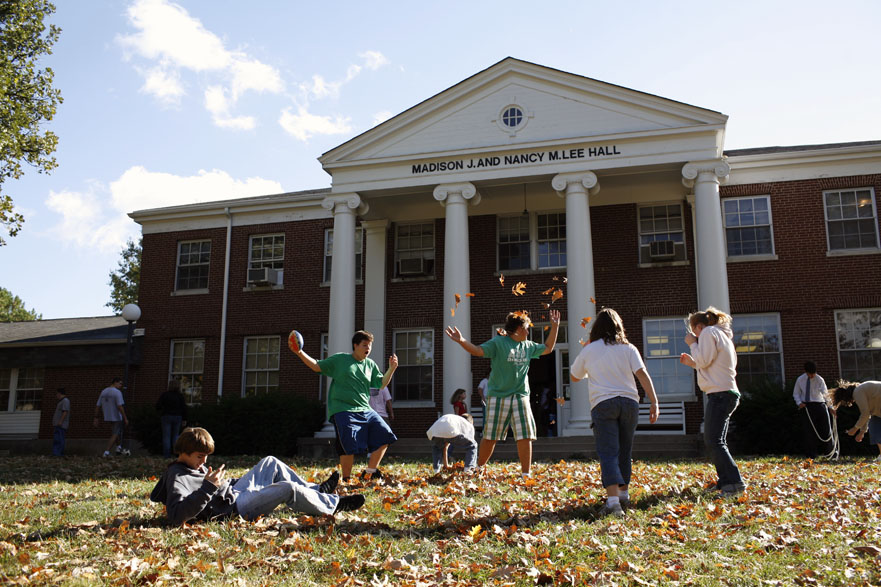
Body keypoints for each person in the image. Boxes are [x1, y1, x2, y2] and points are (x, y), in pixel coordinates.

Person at [150, 427, 363, 525]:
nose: (204, 462)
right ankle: (333, 505)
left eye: (206, 456)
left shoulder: (194, 466)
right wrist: (209, 487)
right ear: (183, 452)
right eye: (199, 456)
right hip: (234, 509)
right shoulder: (177, 476)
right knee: (286, 488)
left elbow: (214, 487)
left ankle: (316, 490)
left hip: (234, 492)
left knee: (270, 462)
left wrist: (224, 483)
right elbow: (176, 516)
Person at [445, 309, 561, 477]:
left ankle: (526, 474)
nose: (528, 332)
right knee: (491, 436)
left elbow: (549, 348)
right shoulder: (498, 343)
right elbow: (477, 351)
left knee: (525, 435)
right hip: (498, 396)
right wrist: (462, 341)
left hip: (520, 396)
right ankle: (479, 468)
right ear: (518, 329)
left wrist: (555, 327)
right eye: (526, 328)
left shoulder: (528, 346)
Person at [570, 308, 659, 516]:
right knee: (625, 451)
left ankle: (613, 502)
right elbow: (642, 374)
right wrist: (654, 401)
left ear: (596, 328)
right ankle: (624, 496)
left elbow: (574, 376)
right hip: (629, 402)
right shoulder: (628, 348)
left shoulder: (590, 349)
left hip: (603, 404)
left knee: (608, 452)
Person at [295, 330, 398, 481]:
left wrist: (392, 368)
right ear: (355, 346)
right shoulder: (340, 360)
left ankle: (369, 472)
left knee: (385, 436)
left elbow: (382, 384)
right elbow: (317, 366)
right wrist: (299, 352)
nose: (367, 348)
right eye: (364, 345)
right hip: (343, 409)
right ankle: (346, 479)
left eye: (369, 346)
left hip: (365, 409)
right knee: (348, 443)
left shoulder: (370, 365)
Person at [679, 306, 746, 495]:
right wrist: (692, 362)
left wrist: (693, 344)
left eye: (694, 331)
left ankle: (734, 483)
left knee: (713, 440)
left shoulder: (708, 332)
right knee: (717, 440)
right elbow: (708, 363)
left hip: (720, 394)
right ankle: (725, 481)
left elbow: (704, 360)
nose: (693, 335)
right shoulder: (721, 335)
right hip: (725, 392)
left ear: (699, 327)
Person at [829, 380, 881, 461]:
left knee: (875, 429)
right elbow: (866, 414)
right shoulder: (860, 390)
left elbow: (865, 414)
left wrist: (855, 429)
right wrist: (862, 432)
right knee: (875, 429)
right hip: (877, 411)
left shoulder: (858, 392)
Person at [793, 361, 834, 458]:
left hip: (819, 405)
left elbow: (825, 394)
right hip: (806, 406)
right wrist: (799, 403)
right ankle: (811, 454)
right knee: (808, 431)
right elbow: (796, 393)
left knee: (826, 429)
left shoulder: (819, 379)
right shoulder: (800, 379)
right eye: (809, 374)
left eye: (813, 374)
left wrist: (831, 407)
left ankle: (830, 453)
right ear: (805, 372)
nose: (812, 376)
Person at [94, 377, 129, 457]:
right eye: (120, 383)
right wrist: (125, 418)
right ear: (115, 382)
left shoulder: (103, 391)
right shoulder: (117, 392)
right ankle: (106, 452)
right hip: (116, 416)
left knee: (115, 433)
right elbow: (120, 406)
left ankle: (118, 448)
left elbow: (98, 405)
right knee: (115, 434)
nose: (121, 385)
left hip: (108, 416)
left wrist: (96, 417)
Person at [156, 379, 189, 458]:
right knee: (176, 436)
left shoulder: (165, 395)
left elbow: (158, 406)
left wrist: (162, 411)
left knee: (166, 436)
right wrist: (185, 419)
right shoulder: (180, 396)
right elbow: (184, 408)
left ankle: (166, 455)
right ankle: (176, 453)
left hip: (166, 415)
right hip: (178, 416)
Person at [52, 388, 70, 456]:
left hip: (61, 425)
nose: (56, 395)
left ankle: (58, 453)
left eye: (57, 393)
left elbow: (65, 412)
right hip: (58, 424)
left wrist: (60, 422)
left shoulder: (65, 401)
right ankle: (56, 453)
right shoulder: (61, 401)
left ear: (59, 393)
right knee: (57, 439)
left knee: (59, 439)